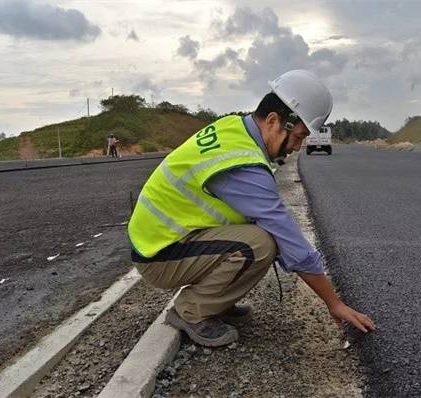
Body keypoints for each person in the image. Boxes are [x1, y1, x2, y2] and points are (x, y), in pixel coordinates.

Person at [128, 69, 375, 347]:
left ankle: (214, 301)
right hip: (160, 255)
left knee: (259, 236)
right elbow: (288, 238)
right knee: (261, 244)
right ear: (273, 121)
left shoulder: (233, 128)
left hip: (163, 240)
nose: (298, 146)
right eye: (298, 137)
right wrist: (334, 303)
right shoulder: (243, 163)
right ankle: (191, 310)